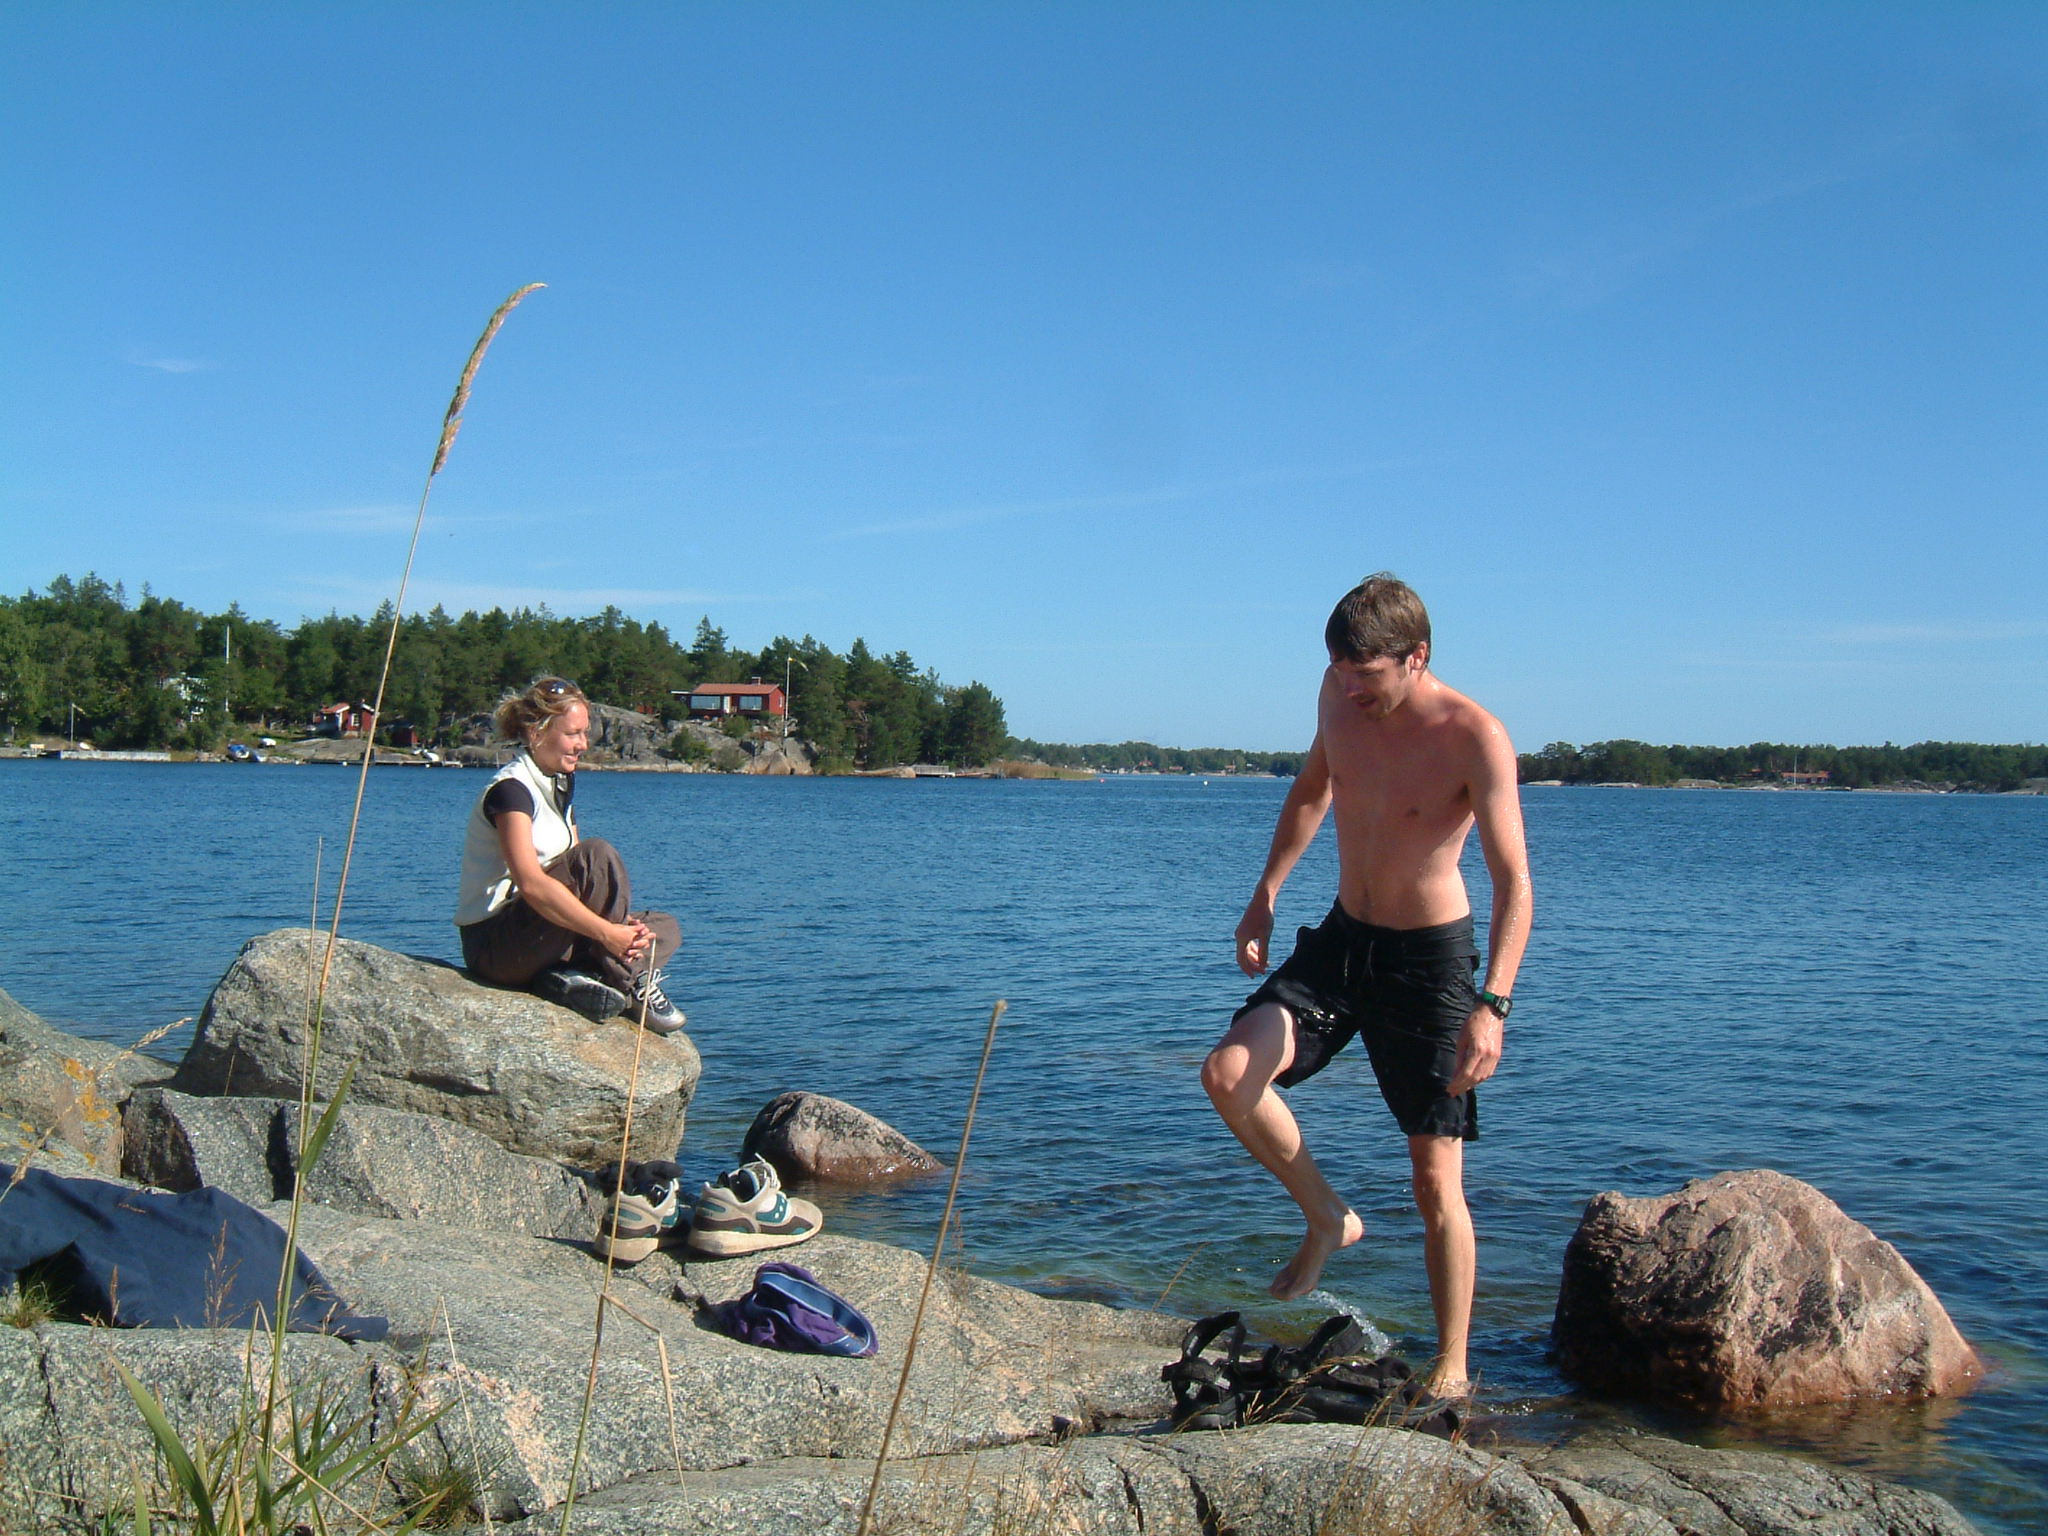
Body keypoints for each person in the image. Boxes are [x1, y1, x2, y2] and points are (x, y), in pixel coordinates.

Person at [1200, 573, 1531, 1396]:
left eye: (1367, 675)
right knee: (1229, 1074)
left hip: (1430, 964)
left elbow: (1514, 883)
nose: (1350, 689)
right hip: (1345, 940)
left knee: (1435, 1181)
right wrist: (1265, 894)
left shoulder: (1474, 736)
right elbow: (1314, 790)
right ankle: (1327, 1216)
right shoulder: (1336, 692)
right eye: (1340, 672)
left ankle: (1453, 1364)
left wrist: (1492, 1004)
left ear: (1417, 656)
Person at [455, 677, 687, 1032]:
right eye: (573, 734)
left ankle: (571, 977)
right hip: (497, 945)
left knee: (664, 928)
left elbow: (580, 880)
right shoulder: (511, 792)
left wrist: (619, 925)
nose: (583, 744)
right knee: (597, 855)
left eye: (585, 734)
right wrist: (608, 933)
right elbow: (531, 884)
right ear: (537, 732)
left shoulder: (558, 784)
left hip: (544, 932)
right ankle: (627, 980)